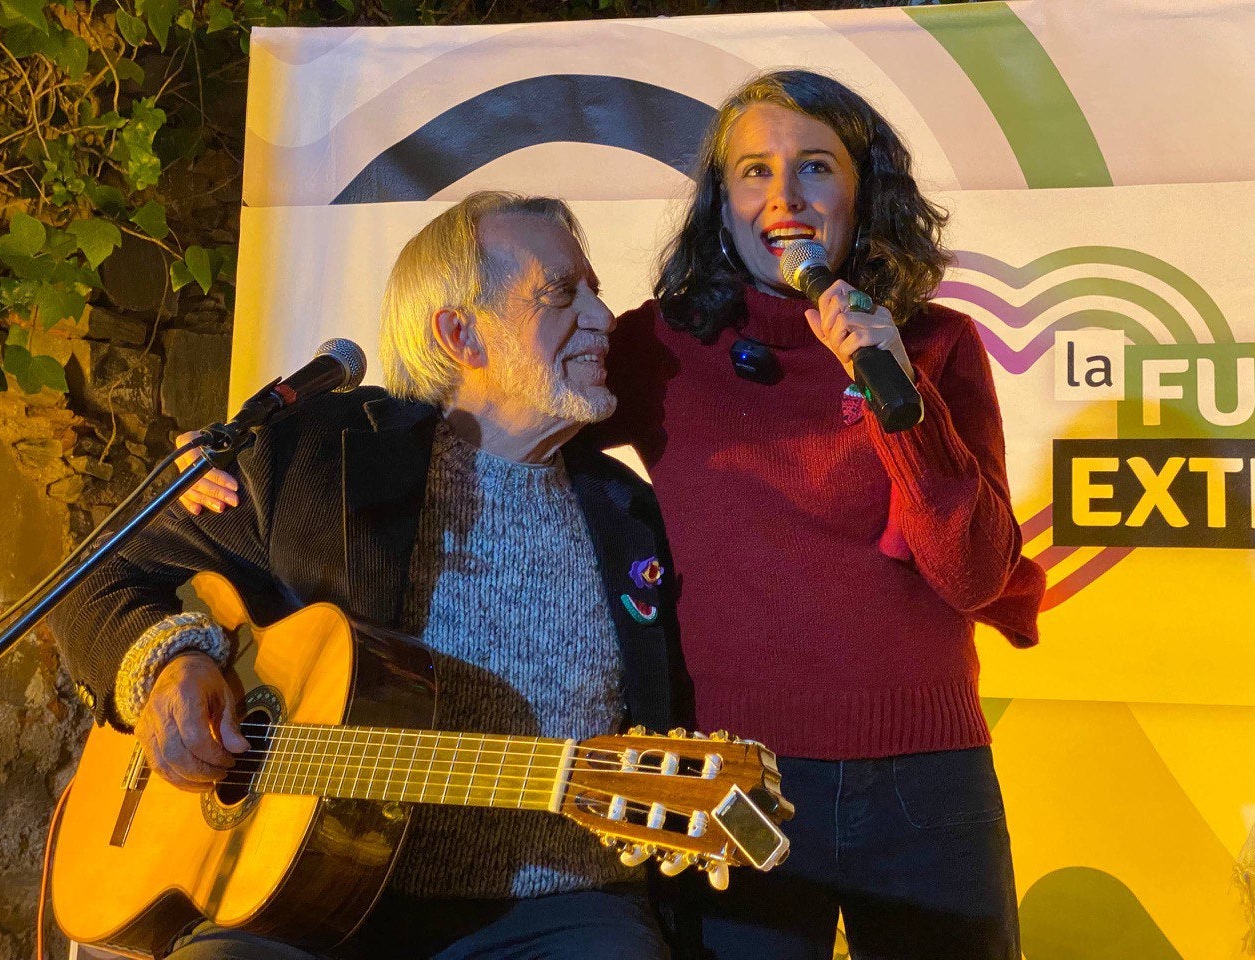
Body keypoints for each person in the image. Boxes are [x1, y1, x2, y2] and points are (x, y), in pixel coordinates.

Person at [179, 70, 1046, 959]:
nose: (784, 196)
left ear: (864, 191)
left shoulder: (933, 344)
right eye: (753, 171)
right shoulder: (661, 347)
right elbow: (489, 392)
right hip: (732, 781)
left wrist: (895, 388)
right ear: (720, 201)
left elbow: (976, 571)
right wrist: (233, 451)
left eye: (816, 166)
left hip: (927, 783)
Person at [53, 191, 694, 960]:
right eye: (563, 293)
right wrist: (169, 663)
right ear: (461, 333)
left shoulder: (627, 512)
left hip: (561, 908)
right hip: (301, 898)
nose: (602, 317)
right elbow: (97, 578)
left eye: (595, 289)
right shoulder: (314, 458)